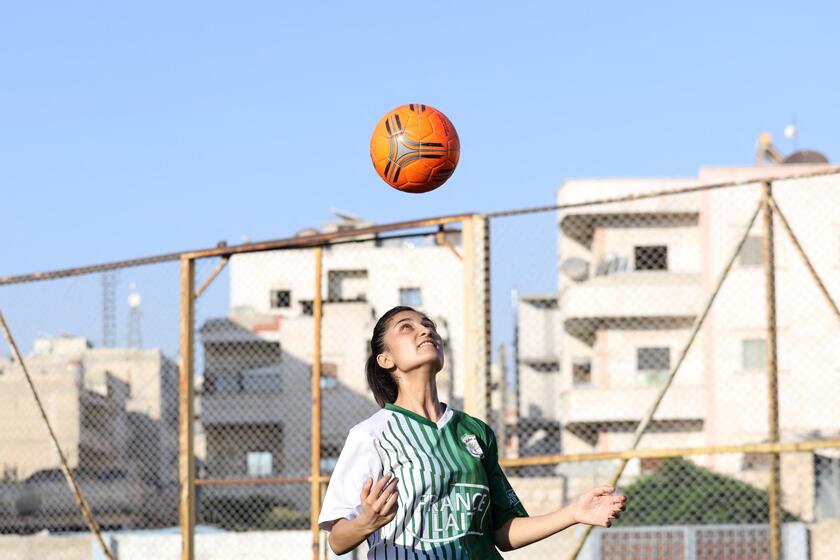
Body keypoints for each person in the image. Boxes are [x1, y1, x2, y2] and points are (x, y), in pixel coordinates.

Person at [318, 306, 626, 558]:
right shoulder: (372, 435)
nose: (426, 330)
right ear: (386, 360)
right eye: (407, 327)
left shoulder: (475, 431)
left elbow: (502, 532)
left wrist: (573, 512)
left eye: (429, 325)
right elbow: (338, 541)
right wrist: (365, 522)